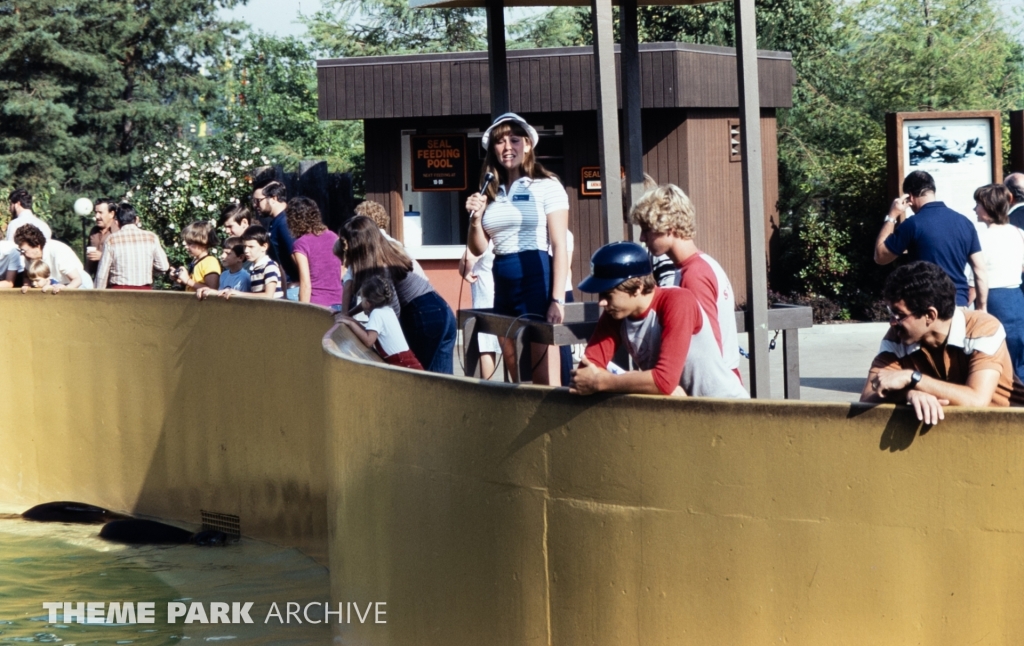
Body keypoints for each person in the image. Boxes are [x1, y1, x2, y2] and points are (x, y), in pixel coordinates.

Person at [465, 112, 569, 386]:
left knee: (543, 375)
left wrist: (557, 299)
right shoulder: (491, 190)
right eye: (500, 141)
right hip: (502, 279)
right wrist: (476, 219)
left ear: (528, 144)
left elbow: (559, 244)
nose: (507, 147)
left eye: (514, 140)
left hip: (536, 277)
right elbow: (479, 247)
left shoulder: (547, 185)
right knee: (515, 372)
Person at [569, 241, 749, 399]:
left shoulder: (677, 301)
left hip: (726, 407)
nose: (601, 302)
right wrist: (650, 384)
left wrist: (602, 382)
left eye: (608, 294)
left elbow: (663, 381)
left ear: (637, 287)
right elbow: (585, 373)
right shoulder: (617, 313)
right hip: (684, 413)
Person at [861, 261, 1024, 424]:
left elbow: (976, 401)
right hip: (952, 430)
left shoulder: (982, 328)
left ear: (930, 315)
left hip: (1008, 427)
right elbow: (867, 397)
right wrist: (908, 393)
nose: (892, 323)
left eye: (899, 315)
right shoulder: (897, 338)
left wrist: (913, 378)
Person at [631, 183, 742, 380]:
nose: (642, 237)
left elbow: (709, 350)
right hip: (722, 378)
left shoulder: (693, 275)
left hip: (711, 385)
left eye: (647, 229)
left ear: (669, 227)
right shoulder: (704, 264)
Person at [340, 216, 456, 374]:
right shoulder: (390, 252)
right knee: (443, 382)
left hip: (422, 316)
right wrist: (348, 314)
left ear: (358, 246)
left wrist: (374, 331)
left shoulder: (380, 267)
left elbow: (392, 310)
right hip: (441, 309)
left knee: (417, 379)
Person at [874, 170, 987, 310]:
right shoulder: (965, 223)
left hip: (925, 307)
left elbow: (880, 256)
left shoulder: (913, 224)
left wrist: (892, 216)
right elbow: (980, 269)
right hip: (958, 304)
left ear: (910, 197)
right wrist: (982, 308)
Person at [972, 184, 1024, 380]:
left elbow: (974, 278)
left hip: (992, 299)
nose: (975, 209)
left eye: (978, 204)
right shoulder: (1019, 233)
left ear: (988, 207)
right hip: (1016, 298)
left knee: (994, 353)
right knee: (1019, 356)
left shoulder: (979, 239)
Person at [338, 275, 424, 370]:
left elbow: (368, 340)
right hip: (408, 361)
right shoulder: (388, 310)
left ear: (368, 303)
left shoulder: (377, 313)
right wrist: (350, 319)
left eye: (362, 299)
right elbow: (368, 332)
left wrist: (351, 323)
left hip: (402, 363)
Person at [94, 203, 169, 290]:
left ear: (117, 222)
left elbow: (102, 274)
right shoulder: (151, 237)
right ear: (137, 219)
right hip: (145, 291)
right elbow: (164, 266)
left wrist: (97, 293)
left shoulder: (111, 240)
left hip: (119, 290)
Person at [287, 196, 342, 310]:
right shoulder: (334, 236)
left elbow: (306, 283)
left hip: (317, 305)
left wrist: (302, 311)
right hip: (339, 302)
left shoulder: (301, 244)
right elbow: (342, 269)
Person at [460, 242, 500, 379]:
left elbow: (468, 258)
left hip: (484, 295)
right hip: (500, 289)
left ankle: (487, 386)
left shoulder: (482, 239)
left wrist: (463, 271)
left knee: (486, 344)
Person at [254, 181, 299, 300]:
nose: (255, 205)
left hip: (293, 290)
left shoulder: (284, 223)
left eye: (258, 201)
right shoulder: (276, 222)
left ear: (274, 198)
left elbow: (298, 257)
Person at [13, 225, 93, 290]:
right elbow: (27, 275)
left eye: (23, 250)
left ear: (37, 246)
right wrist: (27, 286)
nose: (22, 254)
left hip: (79, 285)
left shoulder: (58, 251)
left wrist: (65, 290)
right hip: (58, 285)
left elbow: (77, 280)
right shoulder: (29, 256)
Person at [172, 221, 221, 292]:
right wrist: (179, 279)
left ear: (203, 243)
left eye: (190, 243)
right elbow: (193, 284)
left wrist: (187, 280)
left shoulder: (210, 262)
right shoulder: (195, 260)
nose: (186, 247)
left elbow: (212, 289)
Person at [85, 198, 120, 278]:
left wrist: (103, 256)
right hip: (96, 279)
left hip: (113, 279)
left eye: (100, 213)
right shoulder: (94, 231)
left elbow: (125, 259)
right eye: (96, 212)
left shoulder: (119, 232)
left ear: (111, 214)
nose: (97, 216)